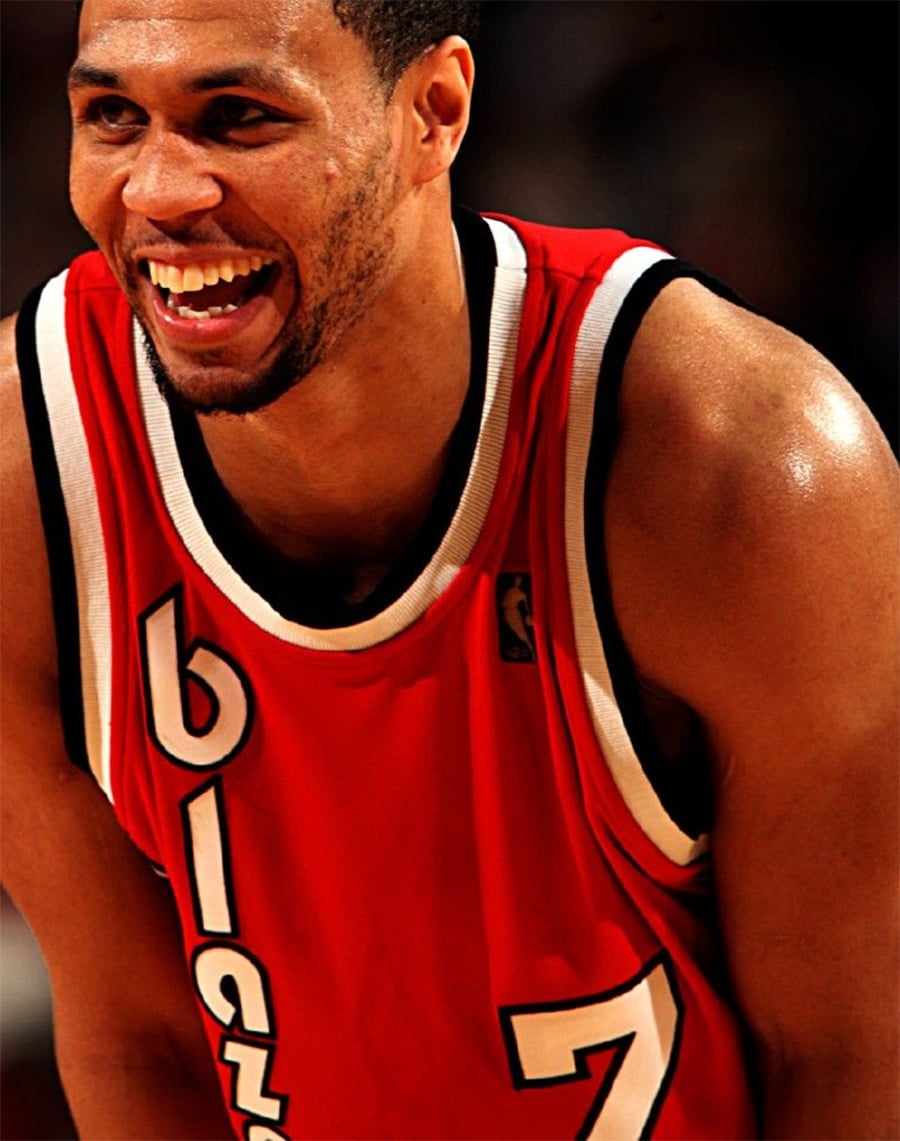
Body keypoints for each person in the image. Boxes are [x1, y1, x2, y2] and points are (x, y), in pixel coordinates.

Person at [1, 0, 897, 1137]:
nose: (159, 191)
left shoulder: (743, 464)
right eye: (113, 116)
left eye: (238, 117)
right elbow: (139, 1045)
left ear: (434, 112)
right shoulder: (29, 478)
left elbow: (849, 1055)